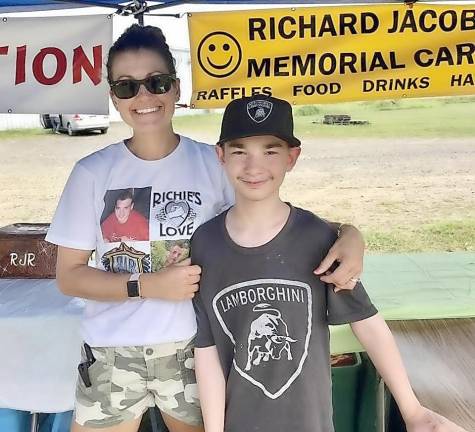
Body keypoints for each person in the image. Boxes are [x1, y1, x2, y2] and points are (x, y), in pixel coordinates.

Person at [46, 25, 365, 432]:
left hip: (197, 348)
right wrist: (147, 285)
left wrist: (348, 234)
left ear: (175, 88)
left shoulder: (212, 164)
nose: (144, 97)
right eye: (127, 87)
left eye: (156, 83)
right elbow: (69, 277)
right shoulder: (91, 173)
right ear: (113, 96)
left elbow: (273, 221)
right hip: (112, 354)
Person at [191, 95, 468, 432]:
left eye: (270, 151)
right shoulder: (206, 244)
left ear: (292, 158)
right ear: (220, 155)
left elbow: (366, 321)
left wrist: (412, 410)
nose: (254, 167)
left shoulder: (318, 239)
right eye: (239, 151)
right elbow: (207, 351)